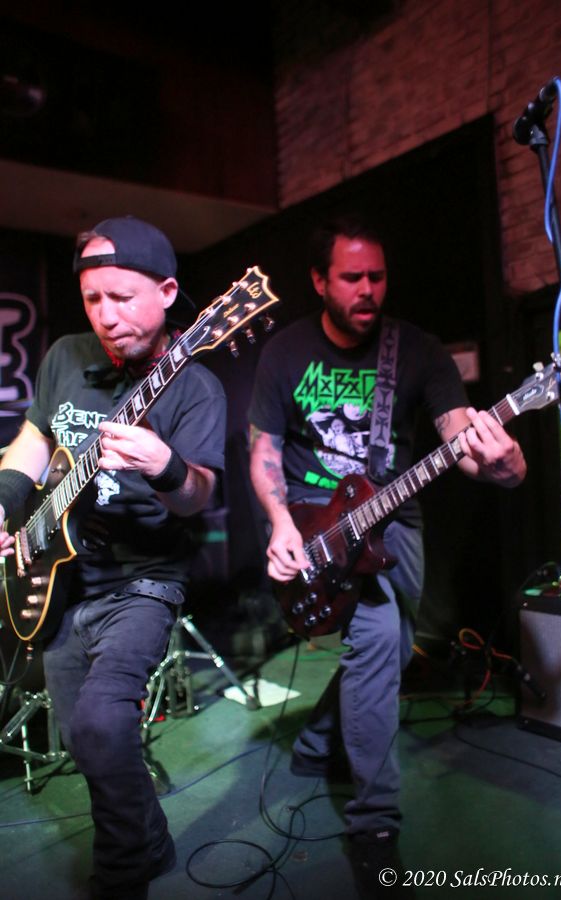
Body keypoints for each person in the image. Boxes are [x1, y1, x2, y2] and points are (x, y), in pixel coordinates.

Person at [248, 214, 526, 873]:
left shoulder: (417, 350)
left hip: (392, 517)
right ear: (320, 281)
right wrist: (280, 521)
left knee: (394, 649)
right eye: (352, 277)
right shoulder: (286, 351)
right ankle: (374, 826)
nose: (368, 289)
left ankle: (316, 744)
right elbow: (264, 450)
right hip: (310, 517)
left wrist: (505, 462)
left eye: (377, 276)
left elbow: (458, 436)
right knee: (375, 640)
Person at [0, 216, 226, 900]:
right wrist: (8, 505)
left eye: (122, 298)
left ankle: (124, 871)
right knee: (80, 735)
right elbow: (34, 438)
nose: (105, 315)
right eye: (93, 298)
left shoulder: (194, 388)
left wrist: (165, 467)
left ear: (167, 292)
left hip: (144, 581)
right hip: (64, 577)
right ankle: (149, 841)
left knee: (102, 723)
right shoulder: (65, 355)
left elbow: (198, 496)